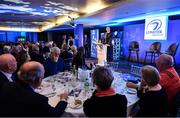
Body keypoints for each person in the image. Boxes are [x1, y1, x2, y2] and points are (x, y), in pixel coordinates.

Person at [0, 61, 68, 116]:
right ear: (39, 79)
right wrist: (63, 99)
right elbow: (55, 114)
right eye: (42, 76)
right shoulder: (38, 100)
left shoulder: (7, 85)